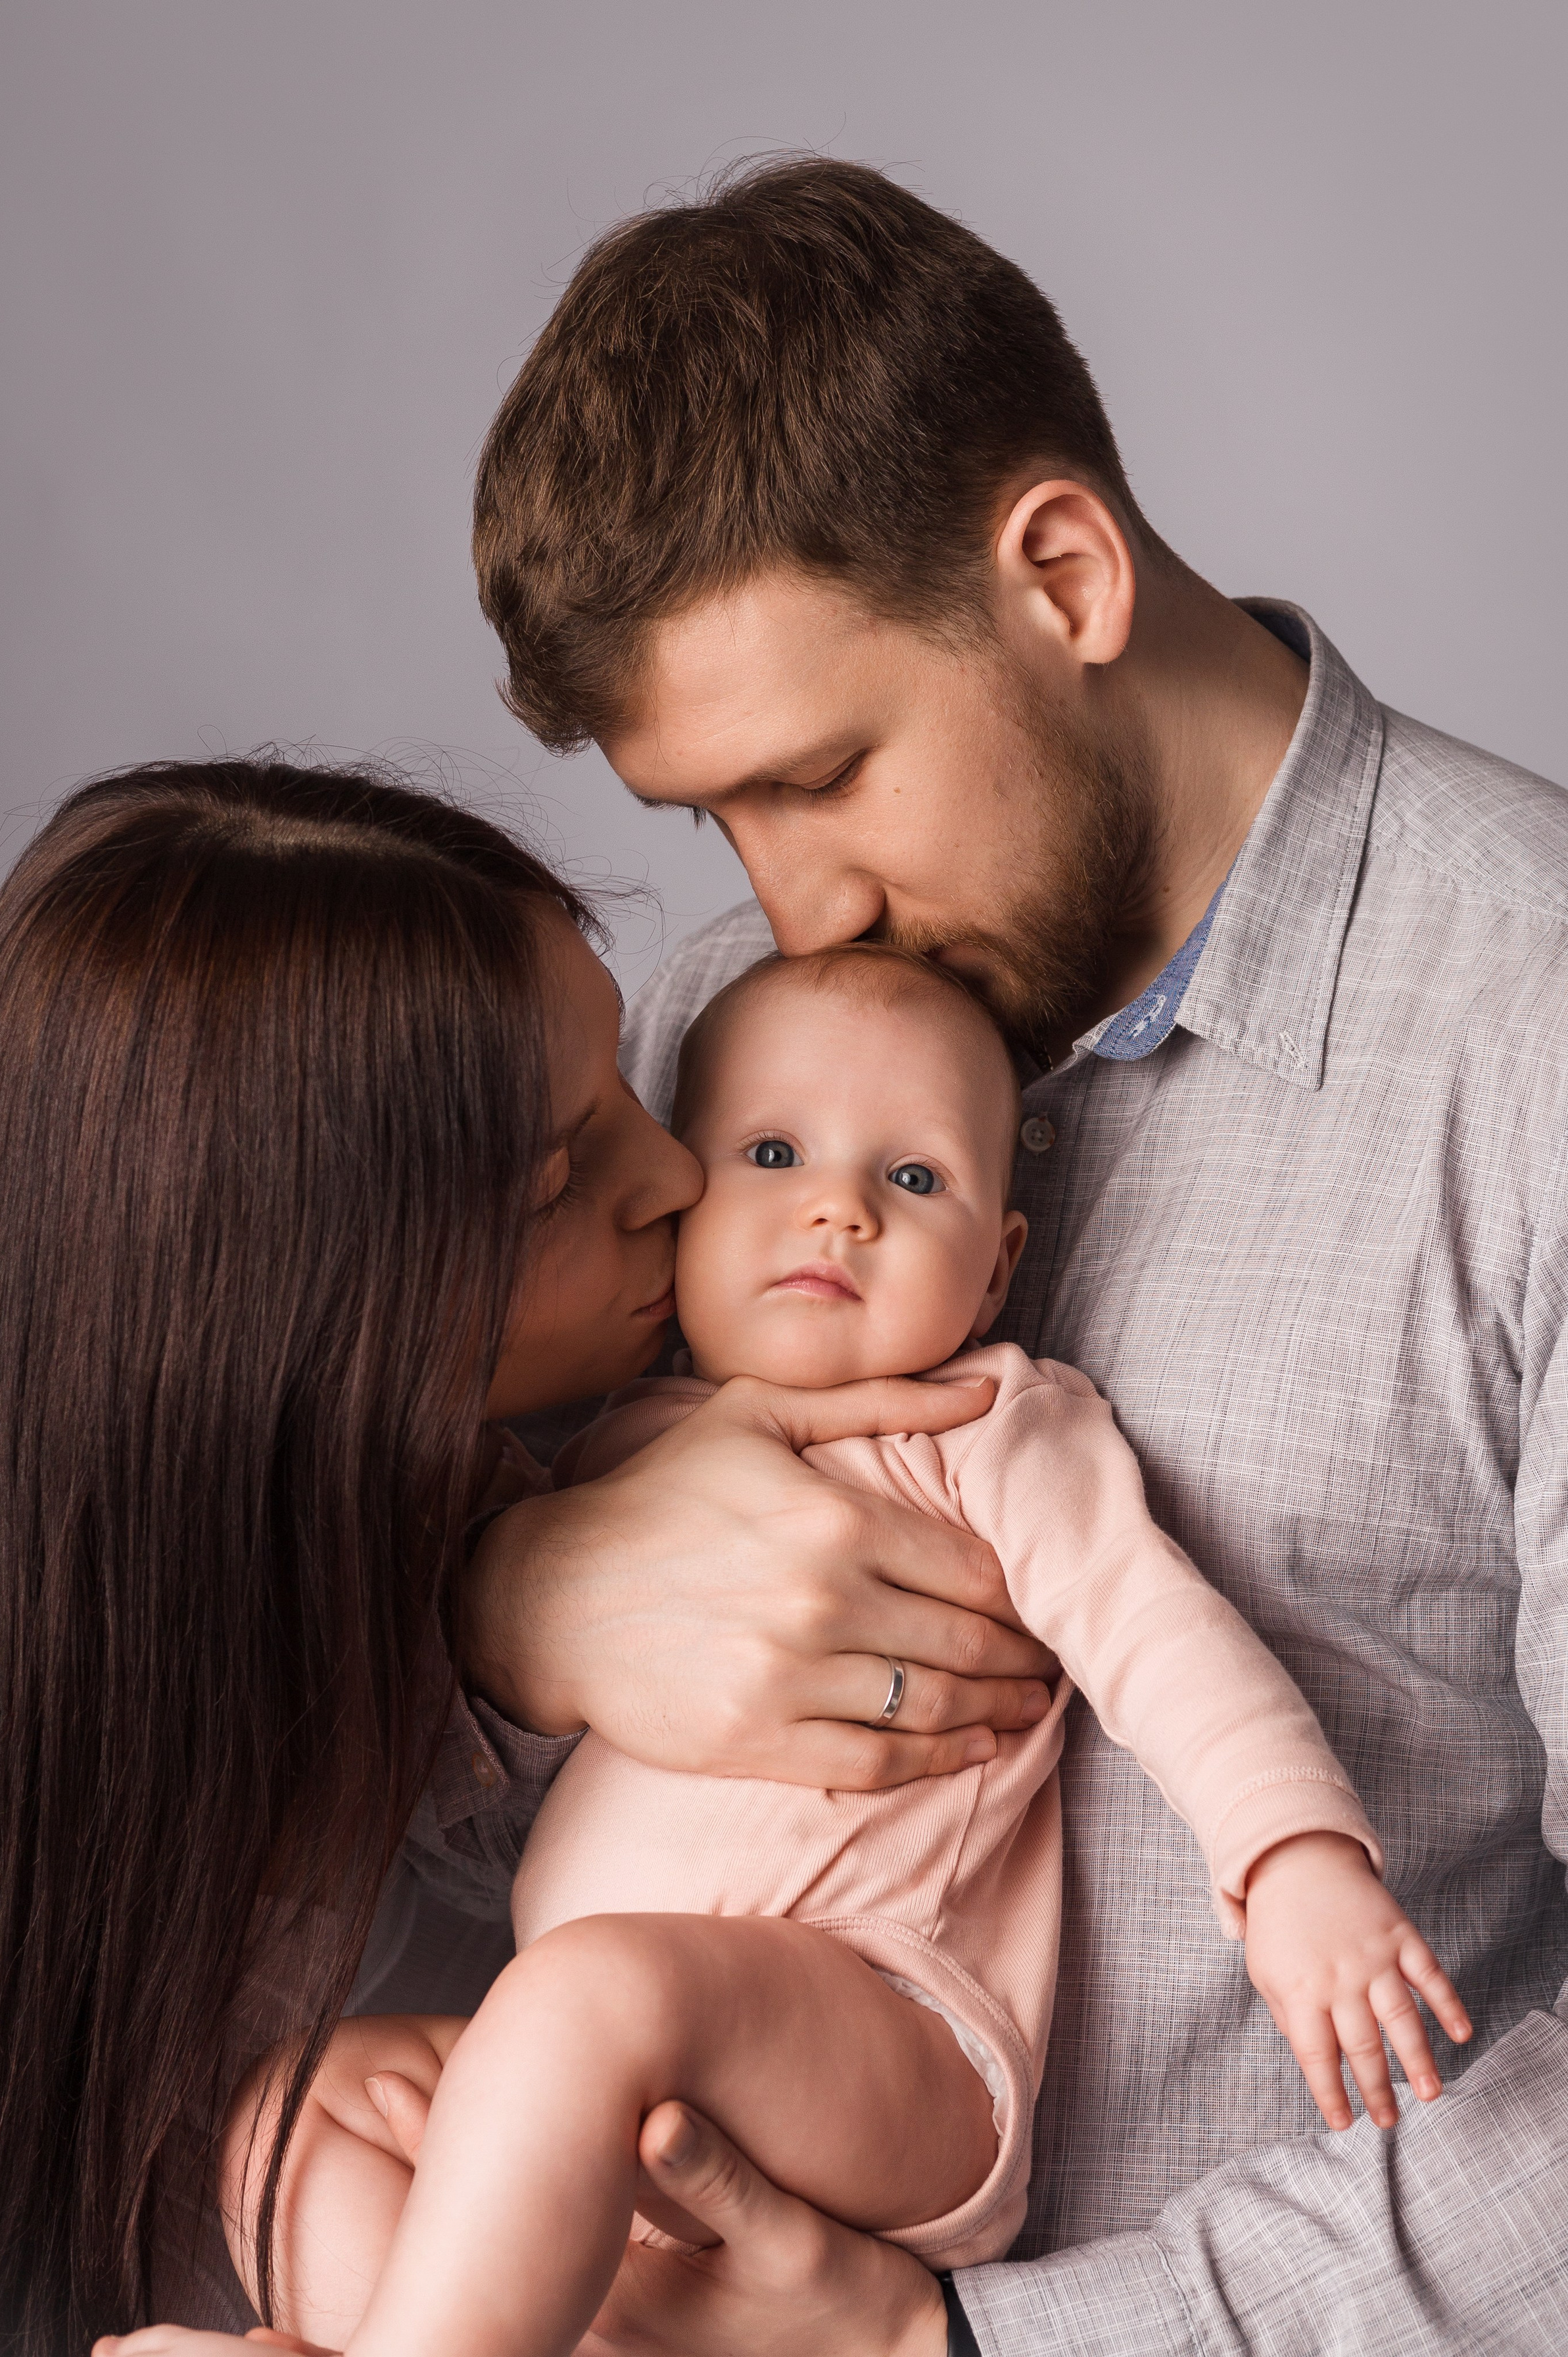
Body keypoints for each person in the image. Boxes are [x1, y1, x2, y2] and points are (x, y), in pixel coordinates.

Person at [462, 157, 1568, 2352]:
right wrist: (509, 1605)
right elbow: (392, 1783)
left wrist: (961, 2348)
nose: (795, 916)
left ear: (1059, 573)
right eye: (717, 821)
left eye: (827, 772)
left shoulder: (1534, 1050)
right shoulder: (706, 1039)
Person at [0, 757, 1052, 2357]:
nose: (682, 1179)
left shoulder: (673, 1437)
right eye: (565, 1180)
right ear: (300, 1314)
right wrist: (510, 1613)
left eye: (637, 1090)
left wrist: (514, 1586)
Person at [167, 944, 1465, 2357]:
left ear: (992, 1272)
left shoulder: (981, 1429)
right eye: (773, 1152)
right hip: (606, 2072)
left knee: (574, 1997)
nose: (836, 1207)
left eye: (911, 1180)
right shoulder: (599, 1444)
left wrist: (1290, 1857)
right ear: (678, 1210)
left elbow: (1154, 1626)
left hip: (884, 2038)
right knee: (294, 2116)